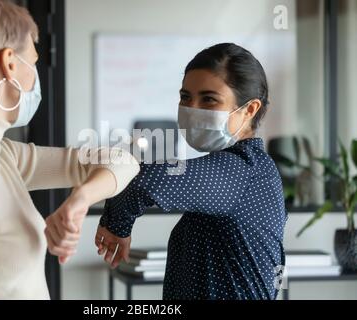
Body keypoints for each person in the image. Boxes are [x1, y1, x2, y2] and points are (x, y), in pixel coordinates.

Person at [0, 0, 139, 299]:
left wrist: (80, 199)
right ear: (9, 63)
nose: (35, 75)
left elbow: (123, 160)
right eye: (32, 61)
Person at [94, 43, 288, 300]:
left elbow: (144, 180)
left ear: (250, 109)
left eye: (209, 99)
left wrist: (116, 225)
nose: (192, 108)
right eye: (186, 97)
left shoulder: (244, 169)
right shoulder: (243, 168)